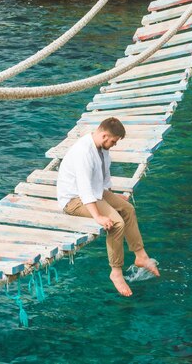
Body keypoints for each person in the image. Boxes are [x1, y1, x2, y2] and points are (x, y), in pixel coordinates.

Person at [56, 117, 159, 296]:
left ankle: (141, 256)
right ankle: (116, 272)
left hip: (96, 192)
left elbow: (103, 176)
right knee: (116, 223)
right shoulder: (84, 152)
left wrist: (111, 196)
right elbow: (84, 189)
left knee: (127, 209)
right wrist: (98, 217)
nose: (114, 144)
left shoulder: (101, 147)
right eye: (113, 141)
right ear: (104, 136)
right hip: (74, 199)